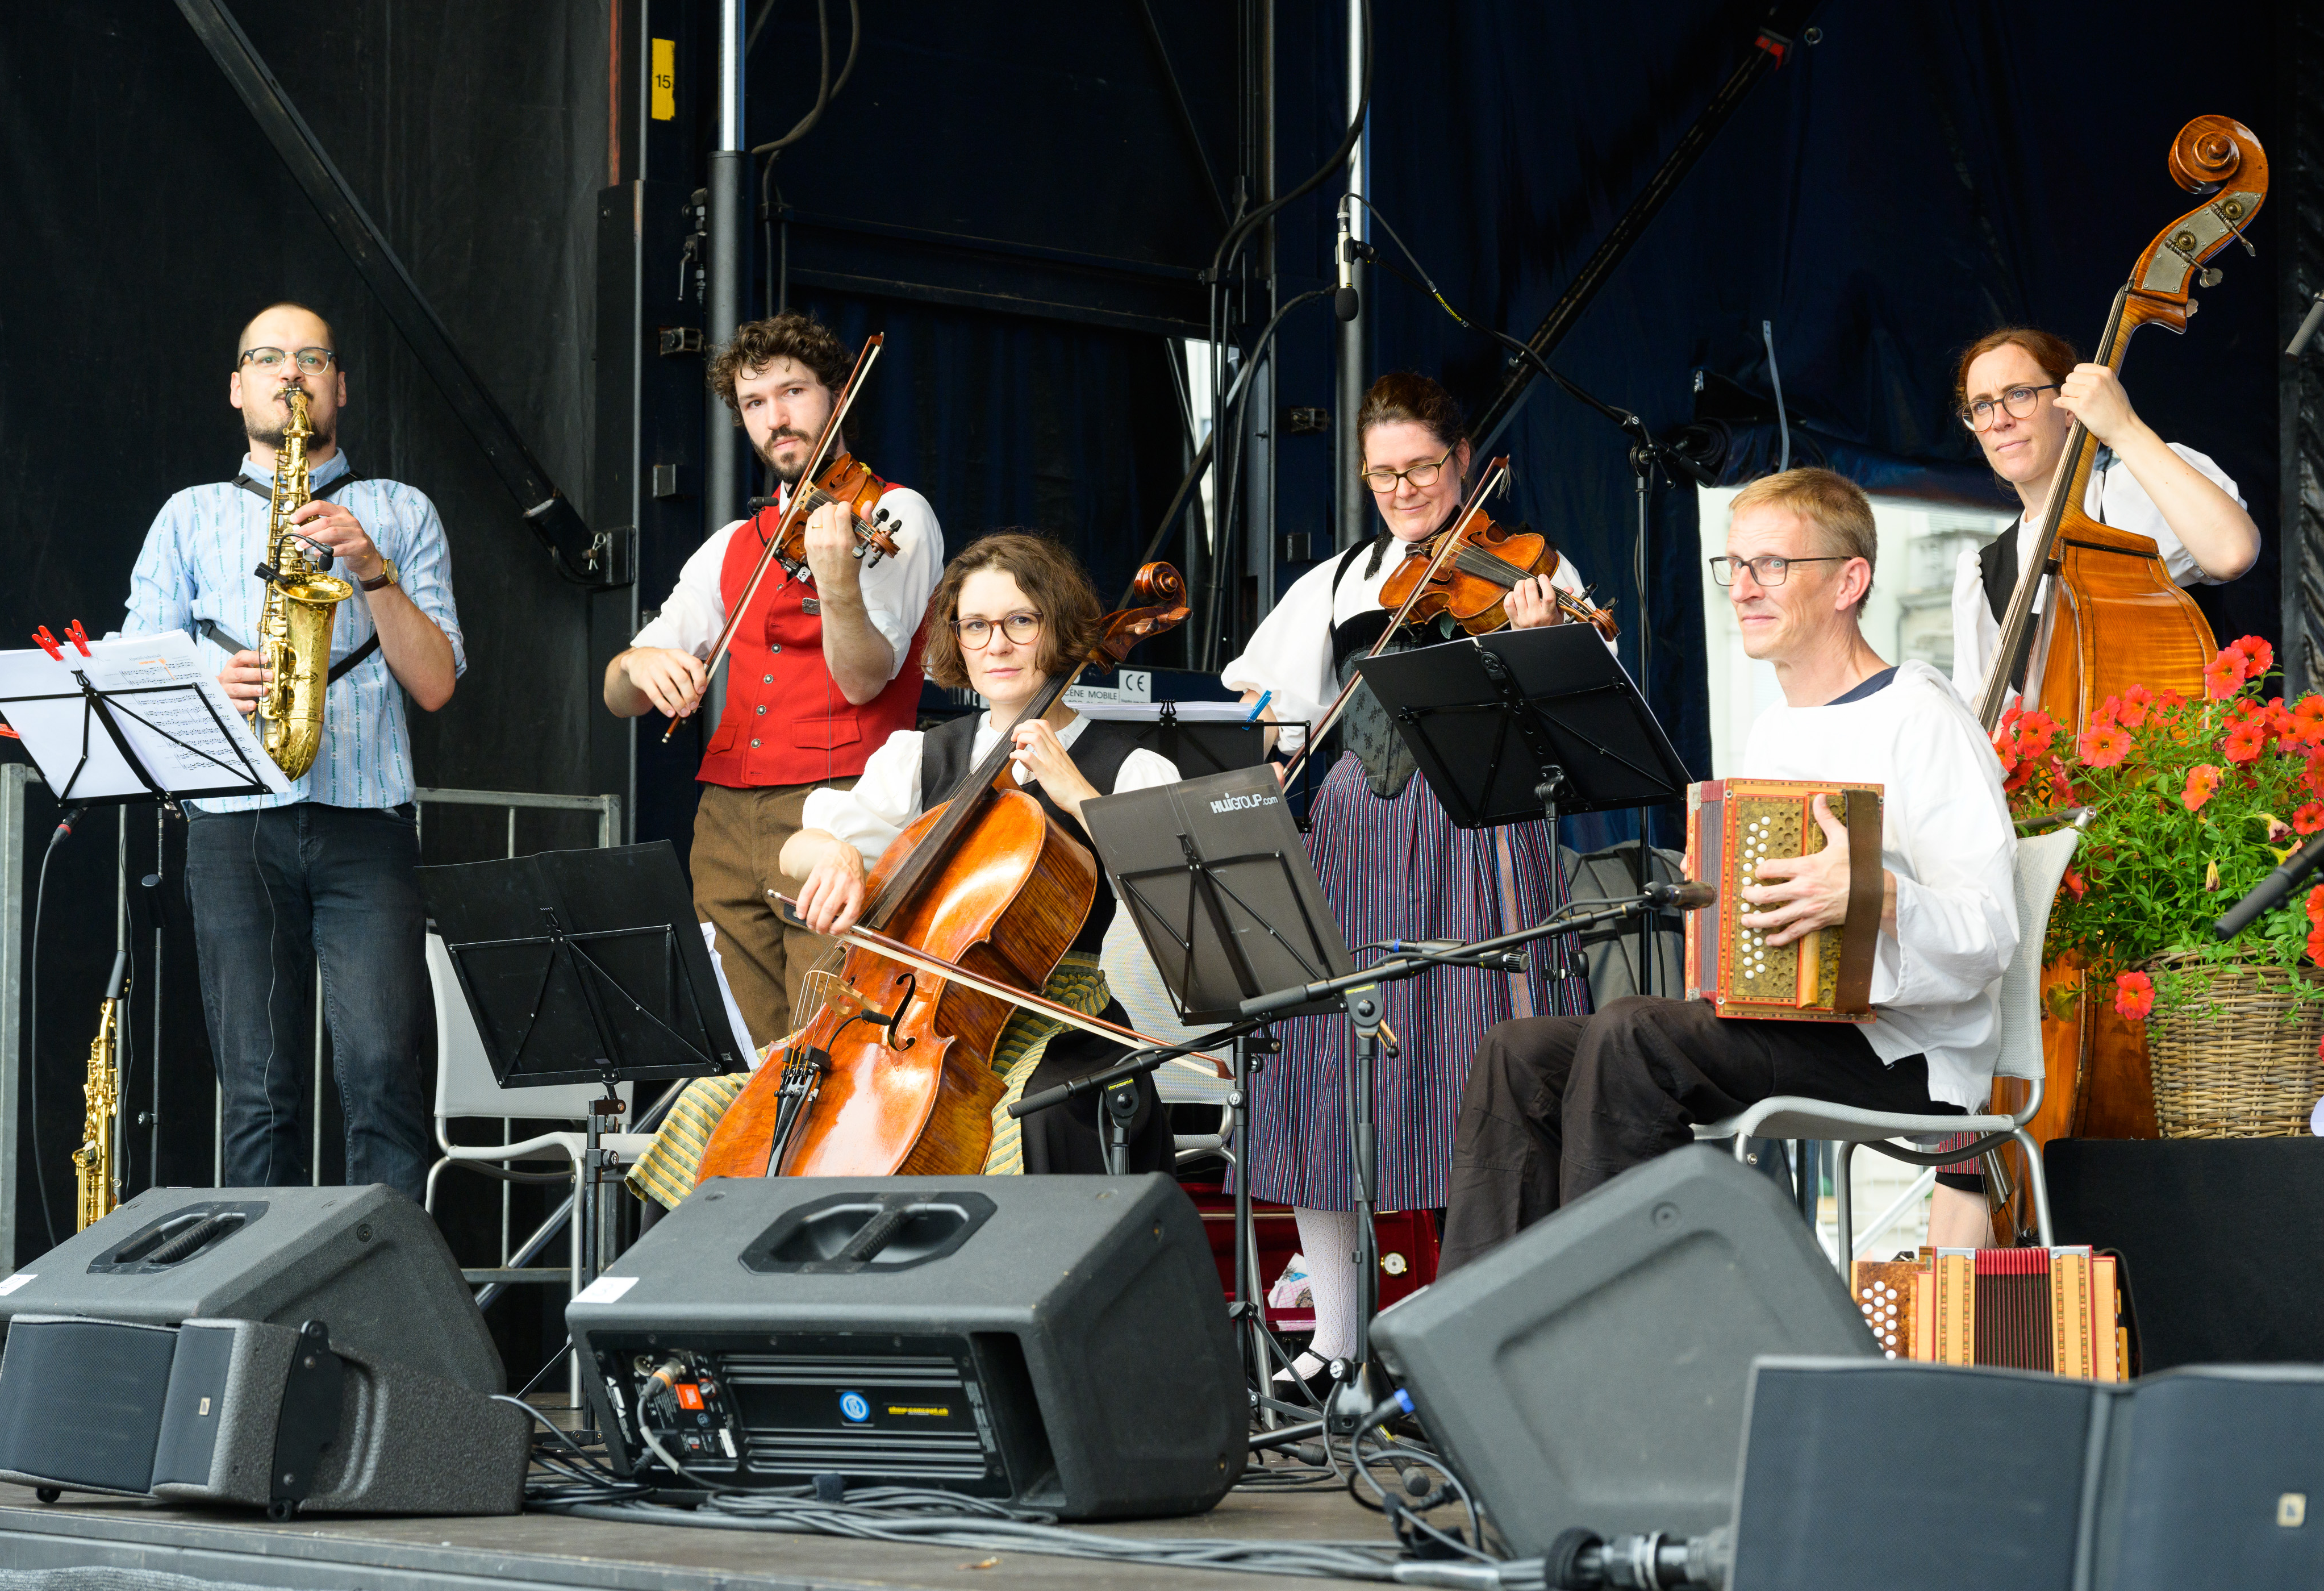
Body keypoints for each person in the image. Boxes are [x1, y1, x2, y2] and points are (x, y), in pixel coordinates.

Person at [1443, 468, 2016, 1268]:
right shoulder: (1778, 726)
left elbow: (1990, 934)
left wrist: (1871, 895)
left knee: (1632, 1034)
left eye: (1771, 566)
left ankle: (1616, 1328)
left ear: (1851, 579)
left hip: (1905, 1053)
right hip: (1788, 1025)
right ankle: (1485, 1340)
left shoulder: (1923, 716)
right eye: (1734, 566)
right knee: (1520, 1050)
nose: (1743, 588)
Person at [1219, 370, 1598, 1390]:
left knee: (1470, 1061)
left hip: (1477, 833)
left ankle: (1479, 1330)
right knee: (1319, 1061)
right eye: (1382, 472)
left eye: (1422, 466)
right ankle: (1336, 1339)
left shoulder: (1529, 567)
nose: (1402, 488)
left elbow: (1577, 710)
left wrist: (1537, 633)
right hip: (1351, 828)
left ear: (1465, 460)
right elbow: (1276, 718)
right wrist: (1270, 766)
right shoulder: (1337, 582)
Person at [625, 532, 1182, 1209]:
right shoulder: (922, 758)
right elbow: (796, 848)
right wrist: (829, 854)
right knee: (711, 1105)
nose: (996, 645)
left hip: (1057, 1023)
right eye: (975, 626)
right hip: (914, 1022)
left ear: (1060, 626)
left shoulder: (1128, 767)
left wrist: (1077, 797)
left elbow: (1173, 898)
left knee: (1023, 1121)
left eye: (1020, 622)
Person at [121, 301, 465, 1189]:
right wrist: (206, 676)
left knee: (386, 1079)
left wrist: (372, 569)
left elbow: (434, 684)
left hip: (366, 820)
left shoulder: (399, 509)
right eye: (267, 358)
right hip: (236, 821)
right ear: (239, 388)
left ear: (338, 385)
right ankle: (254, 1322)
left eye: (311, 358)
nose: (290, 373)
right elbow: (132, 671)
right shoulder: (188, 516)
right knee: (257, 1094)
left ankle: (387, 1321)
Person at [604, 311, 942, 1042]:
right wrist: (641, 662)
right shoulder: (733, 543)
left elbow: (865, 680)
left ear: (838, 394)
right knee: (740, 1049)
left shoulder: (893, 513)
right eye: (755, 404)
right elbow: (617, 691)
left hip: (841, 804)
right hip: (726, 819)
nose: (776, 417)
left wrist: (838, 581)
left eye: (793, 392)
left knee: (829, 1041)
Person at [1948, 326, 2258, 711]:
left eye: (2019, 395)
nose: (2000, 420)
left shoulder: (2141, 489)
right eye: (1982, 406)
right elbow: (1985, 733)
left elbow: (2233, 553)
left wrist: (2122, 427)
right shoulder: (1984, 575)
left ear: (2069, 406)